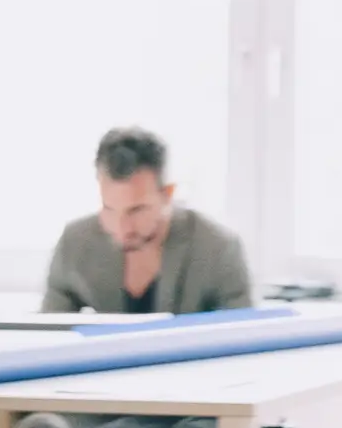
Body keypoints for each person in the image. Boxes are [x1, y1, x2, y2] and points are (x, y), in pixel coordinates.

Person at [39, 128, 252, 316]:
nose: (122, 228)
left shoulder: (219, 248)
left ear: (167, 195)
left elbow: (244, 338)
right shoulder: (75, 243)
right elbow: (49, 335)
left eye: (137, 210)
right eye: (109, 209)